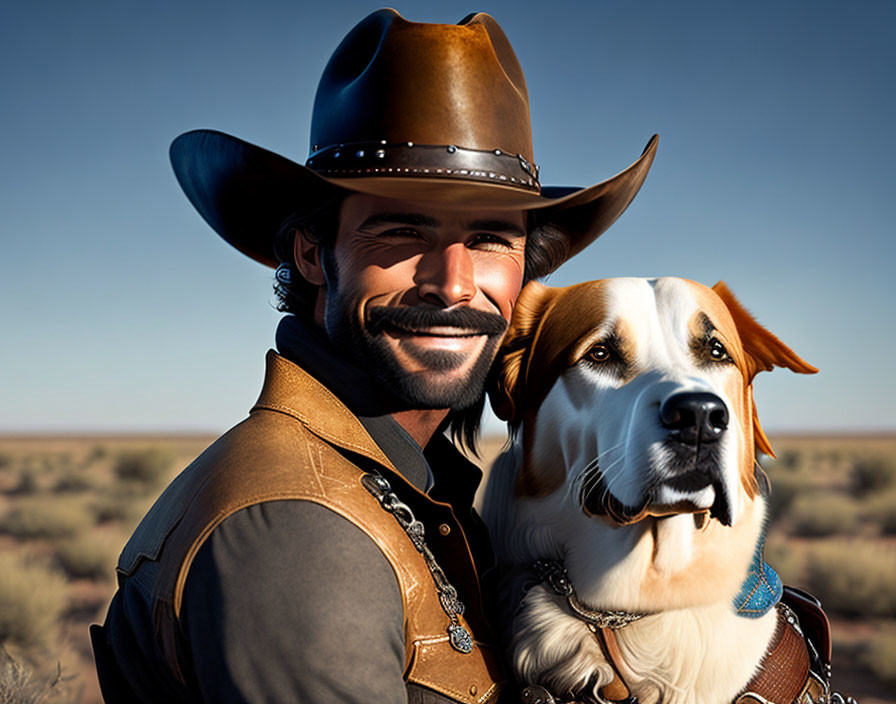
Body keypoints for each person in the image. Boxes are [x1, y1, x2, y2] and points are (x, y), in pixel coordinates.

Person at [90, 9, 657, 703]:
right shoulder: (301, 533)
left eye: (489, 239)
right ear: (311, 253)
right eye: (400, 231)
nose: (452, 284)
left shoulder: (406, 481)